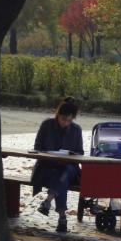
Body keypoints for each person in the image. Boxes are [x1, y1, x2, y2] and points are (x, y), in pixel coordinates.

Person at [32, 97, 84, 233]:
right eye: (63, 119)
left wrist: (70, 155)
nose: (65, 123)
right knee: (62, 178)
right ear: (58, 115)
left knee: (65, 171)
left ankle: (48, 201)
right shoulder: (46, 125)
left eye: (69, 120)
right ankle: (62, 219)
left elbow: (80, 153)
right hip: (47, 166)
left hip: (69, 167)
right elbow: (37, 147)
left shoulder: (76, 130)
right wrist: (50, 155)